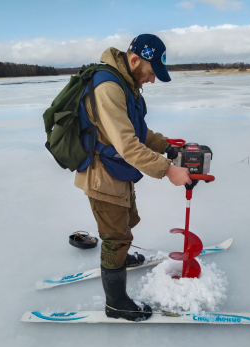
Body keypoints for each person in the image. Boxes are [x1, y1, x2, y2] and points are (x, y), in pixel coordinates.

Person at [74, 34, 192, 322]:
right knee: (115, 236)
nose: (152, 80)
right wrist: (168, 170)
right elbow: (128, 145)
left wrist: (166, 146)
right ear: (135, 60)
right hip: (102, 176)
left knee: (128, 220)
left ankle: (122, 257)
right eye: (151, 73)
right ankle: (116, 304)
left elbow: (139, 131)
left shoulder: (127, 83)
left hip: (117, 171)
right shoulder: (109, 87)